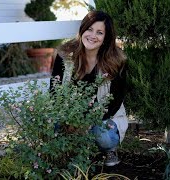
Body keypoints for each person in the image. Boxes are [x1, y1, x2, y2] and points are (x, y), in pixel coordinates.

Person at [49, 10, 128, 166]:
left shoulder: (116, 60)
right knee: (53, 125)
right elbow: (54, 90)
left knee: (102, 135)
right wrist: (68, 118)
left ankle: (110, 149)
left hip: (104, 117)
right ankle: (76, 151)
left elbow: (115, 101)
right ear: (82, 30)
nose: (93, 35)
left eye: (99, 32)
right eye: (89, 29)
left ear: (106, 38)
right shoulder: (65, 55)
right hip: (71, 115)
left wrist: (87, 122)